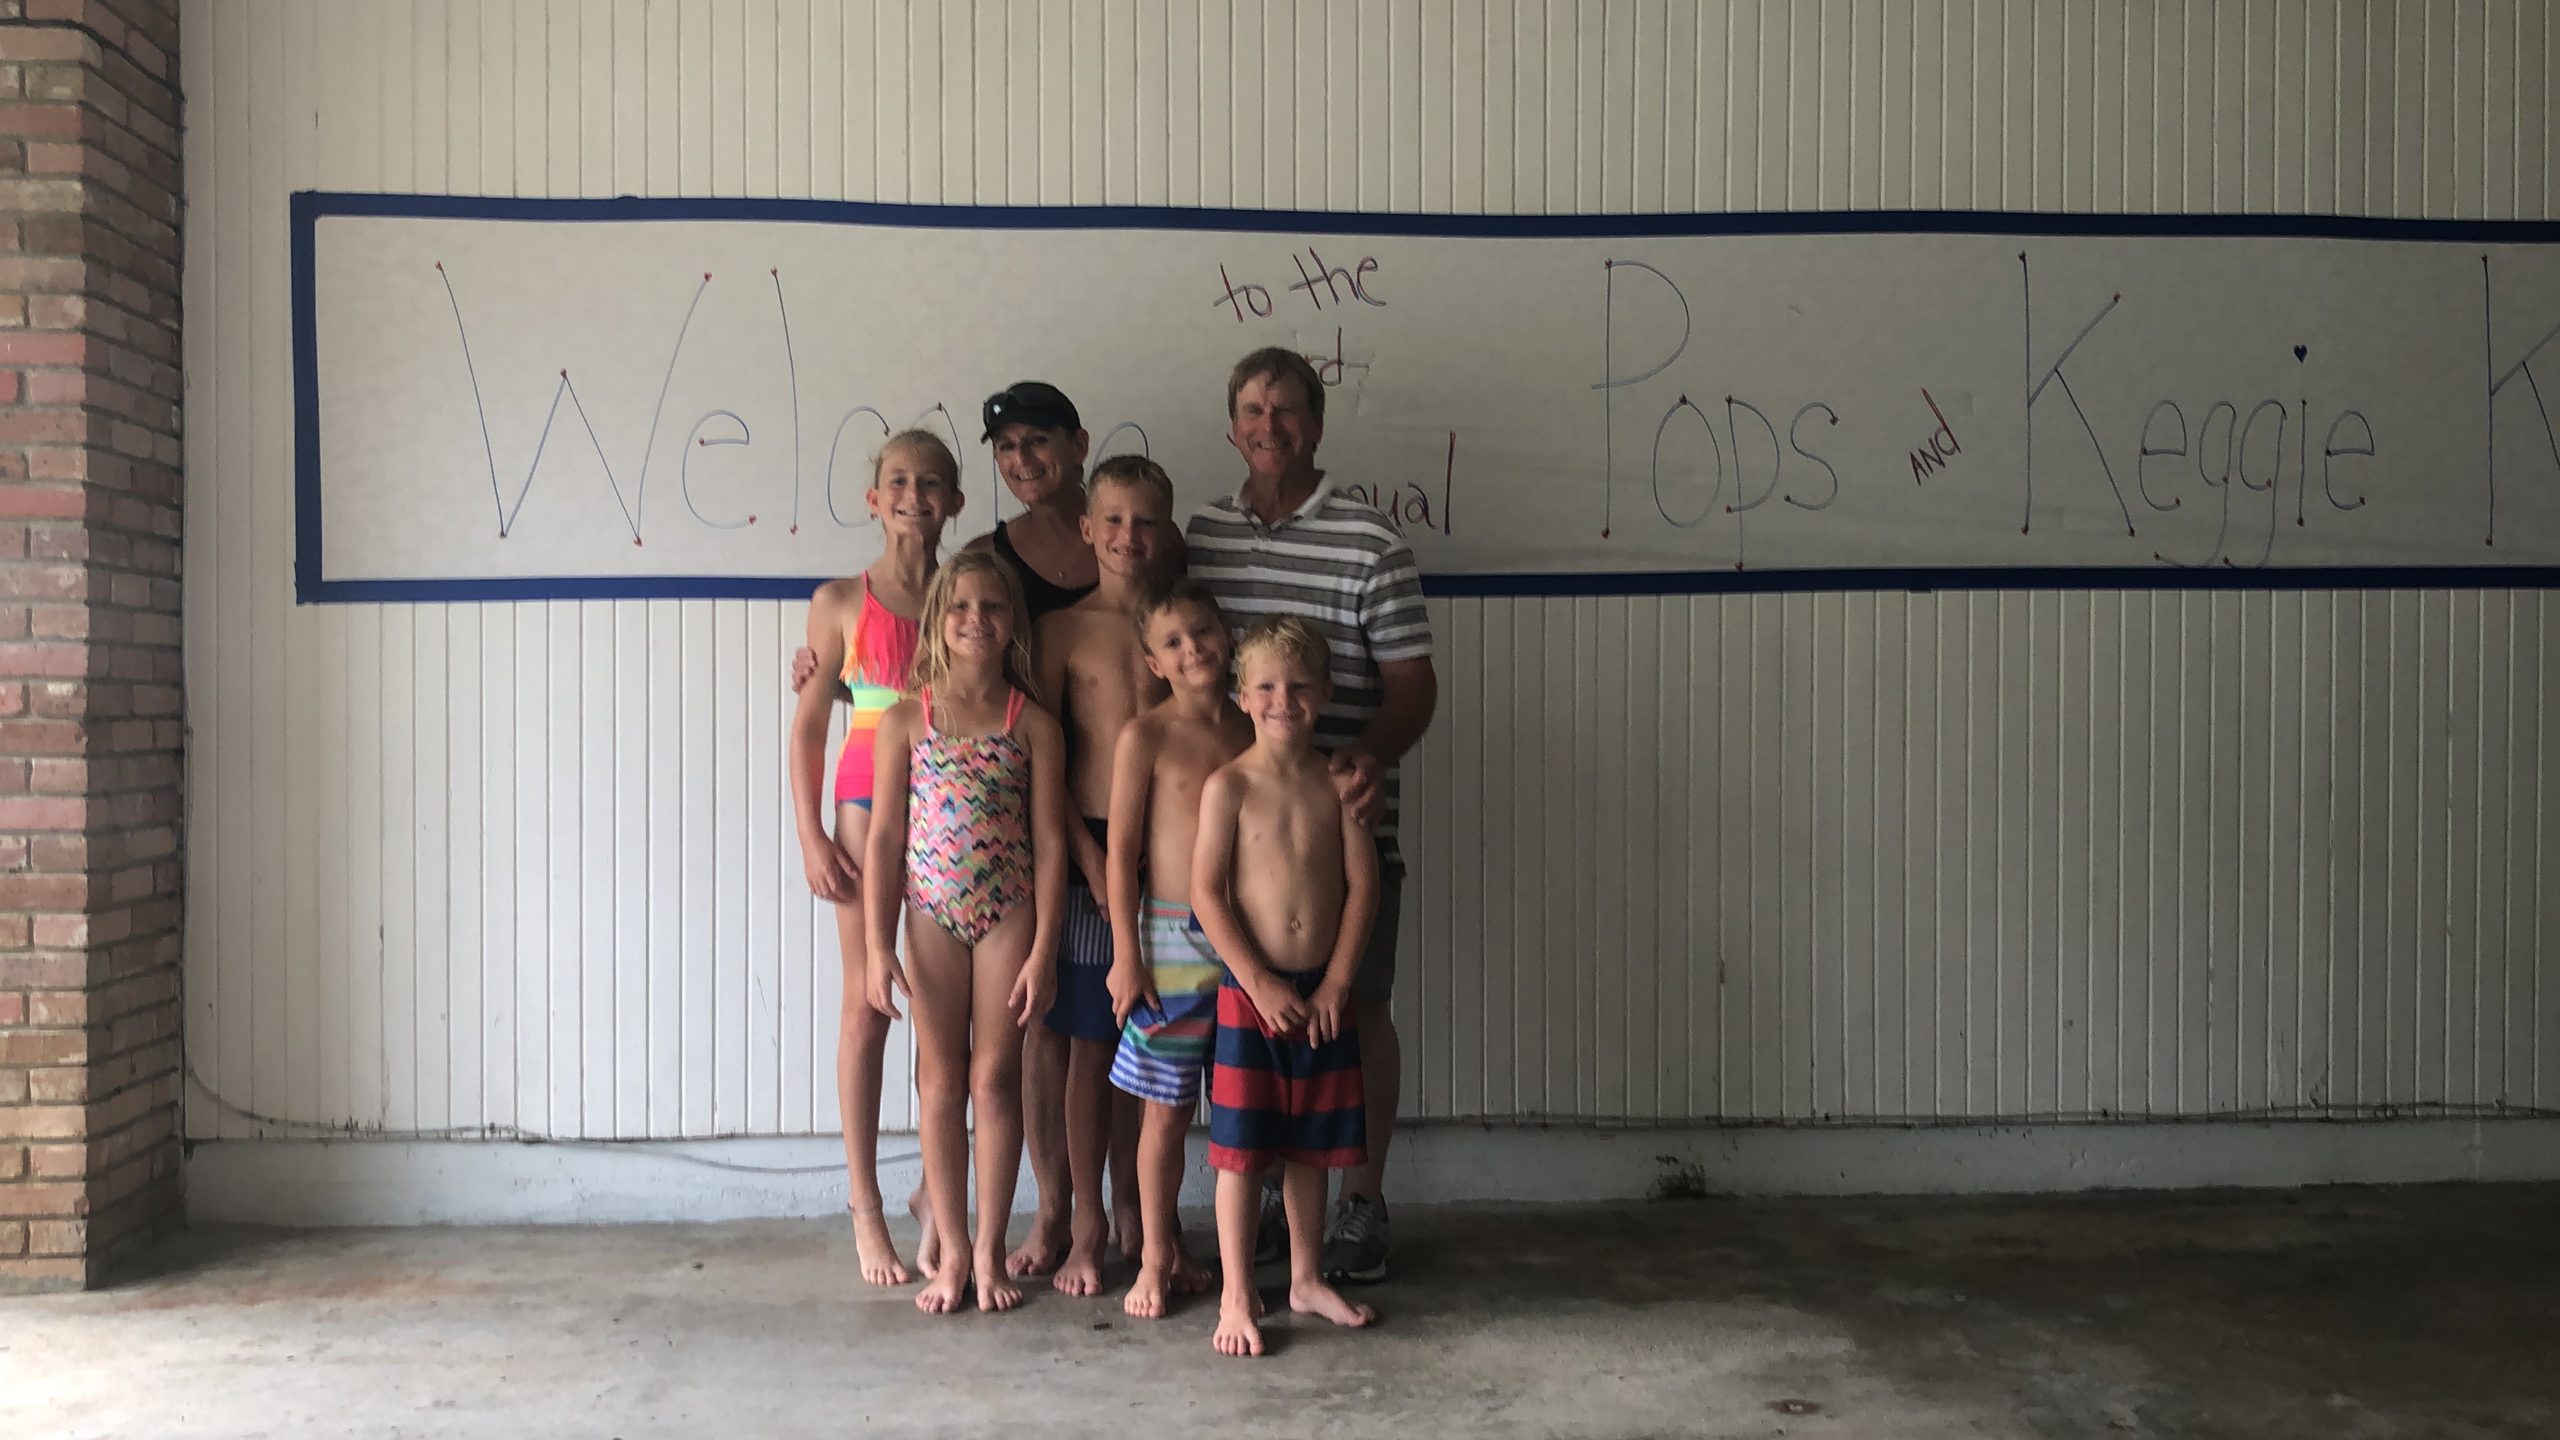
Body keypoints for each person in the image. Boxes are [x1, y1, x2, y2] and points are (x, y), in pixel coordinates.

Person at [1184, 347, 1438, 1284]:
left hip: (1342, 828)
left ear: (1318, 425)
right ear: (1232, 427)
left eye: (1287, 409)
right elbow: (1159, 638)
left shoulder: (1371, 541)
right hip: (1239, 839)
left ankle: (1360, 1202)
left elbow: (1413, 686)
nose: (1270, 426)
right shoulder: (1201, 537)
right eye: (1253, 410)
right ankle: (1266, 1207)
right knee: (1251, 1022)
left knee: (1356, 1009)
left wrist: (1365, 759)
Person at [862, 551, 1071, 1315]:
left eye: (992, 607)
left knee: (994, 1080)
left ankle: (988, 1251)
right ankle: (951, 1251)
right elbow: (885, 839)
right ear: (936, 622)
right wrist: (876, 945)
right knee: (940, 1081)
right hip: (930, 914)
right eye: (959, 607)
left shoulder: (1032, 725)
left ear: (1013, 622)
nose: (975, 620)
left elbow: (1049, 843)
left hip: (1008, 912)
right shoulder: (906, 721)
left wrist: (1045, 949)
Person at [786, 429, 960, 1287]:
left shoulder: (970, 594)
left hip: (951, 803)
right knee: (868, 1003)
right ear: (873, 498)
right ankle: (864, 1202)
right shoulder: (840, 602)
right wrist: (811, 834)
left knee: (942, 1009)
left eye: (930, 483)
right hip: (863, 805)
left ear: (954, 501)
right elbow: (809, 729)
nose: (913, 496)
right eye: (897, 480)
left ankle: (935, 1189)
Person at [1192, 616, 1380, 1358]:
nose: (1283, 700)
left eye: (1300, 686)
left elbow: (1364, 889)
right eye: (1266, 686)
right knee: (1240, 1152)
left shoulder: (1339, 784)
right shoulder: (1229, 786)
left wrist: (1338, 981)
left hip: (1321, 996)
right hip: (1253, 997)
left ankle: (1304, 1278)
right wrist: (1258, 981)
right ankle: (1238, 1293)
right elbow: (1207, 894)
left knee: (1311, 1148)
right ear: (1241, 696)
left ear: (1326, 692)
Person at [1024, 455, 1180, 1296]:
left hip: (1172, 852)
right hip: (1090, 850)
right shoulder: (1059, 631)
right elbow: (1041, 763)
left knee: (1155, 1040)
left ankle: (1143, 1215)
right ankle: (1084, 1221)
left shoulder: (1184, 629)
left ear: (1168, 531)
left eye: (1146, 520)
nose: (1128, 536)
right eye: (1113, 520)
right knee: (1091, 1039)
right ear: (1087, 529)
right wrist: (1087, 861)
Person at [1102, 578, 1254, 1321]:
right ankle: (1156, 1255)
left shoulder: (1256, 725)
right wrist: (1125, 955)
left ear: (1228, 636)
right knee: (1163, 1112)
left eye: (1203, 632)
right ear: (1153, 662)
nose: (1192, 649)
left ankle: (1233, 1260)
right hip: (1167, 942)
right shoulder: (1146, 736)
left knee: (1241, 1106)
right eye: (1172, 642)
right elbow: (1121, 852)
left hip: (1248, 939)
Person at [969, 379, 1099, 626]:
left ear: (1078, 446)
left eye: (1038, 440)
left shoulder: (1142, 540)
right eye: (1007, 446)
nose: (1021, 458)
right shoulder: (982, 559)